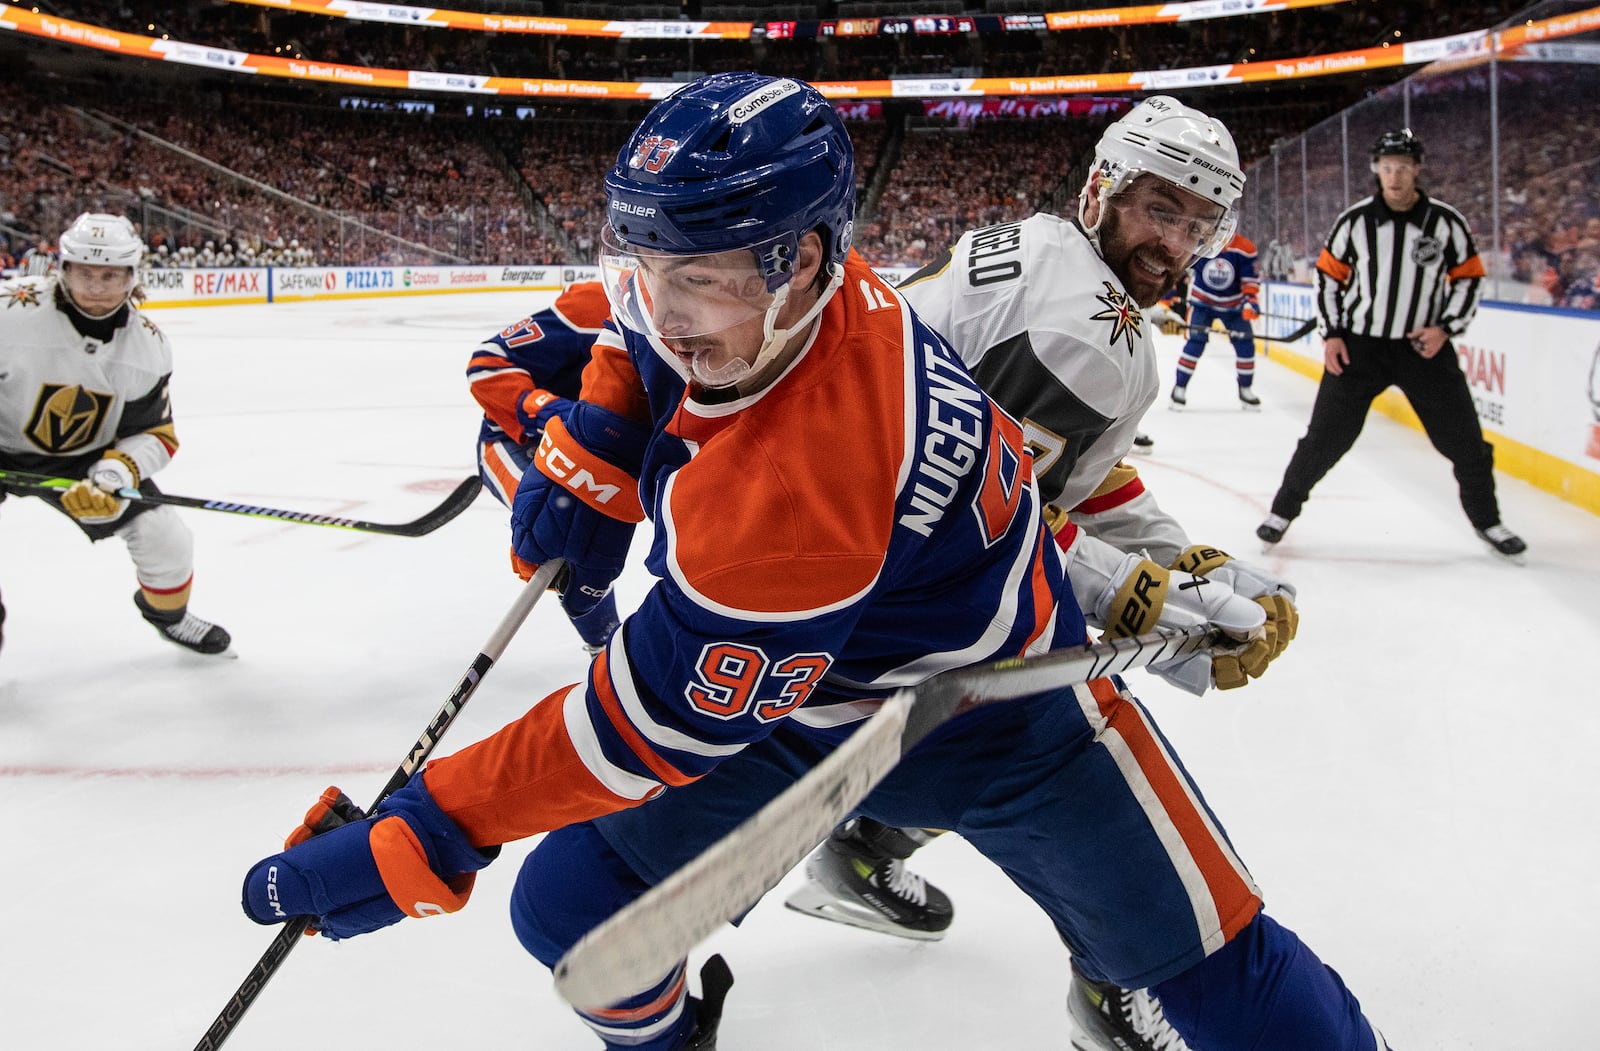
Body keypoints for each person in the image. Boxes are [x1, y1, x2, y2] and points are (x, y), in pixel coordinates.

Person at [242, 74, 1389, 1051]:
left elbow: (631, 729)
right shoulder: (804, 287)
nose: (670, 308)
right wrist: (601, 428)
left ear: (805, 261)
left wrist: (428, 828)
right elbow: (630, 318)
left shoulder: (798, 494)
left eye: (709, 279)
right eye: (651, 260)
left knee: (1239, 993)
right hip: (822, 702)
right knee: (574, 916)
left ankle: (1103, 955)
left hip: (1007, 720)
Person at [787, 96, 1301, 1051]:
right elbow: (966, 502)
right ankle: (1115, 979)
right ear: (1103, 186)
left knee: (1012, 732)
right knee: (1080, 761)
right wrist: (1124, 587)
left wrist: (1178, 556)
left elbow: (1043, 473)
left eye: (1197, 222)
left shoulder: (1040, 248)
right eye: (1160, 207)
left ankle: (867, 845)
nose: (1175, 240)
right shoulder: (1094, 329)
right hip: (883, 597)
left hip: (851, 569)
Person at [1256, 129, 1526, 558]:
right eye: (1387, 167)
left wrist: (1445, 328)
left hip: (1424, 349)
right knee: (1324, 439)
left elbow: (1469, 279)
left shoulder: (1446, 223)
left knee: (1467, 444)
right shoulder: (1355, 222)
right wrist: (1333, 334)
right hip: (1359, 349)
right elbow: (1327, 280)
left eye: (1402, 167)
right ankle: (1281, 512)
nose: (1395, 176)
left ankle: (1488, 522)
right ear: (1376, 170)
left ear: (1416, 170)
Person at [0, 212, 231, 655]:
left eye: (109, 275)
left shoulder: (148, 346)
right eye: (85, 273)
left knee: (166, 535)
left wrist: (112, 476)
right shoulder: (10, 312)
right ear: (63, 268)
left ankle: (170, 617)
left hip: (83, 460)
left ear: (131, 276)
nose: (95, 286)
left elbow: (155, 434)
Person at [467, 280, 620, 654]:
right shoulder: (597, 304)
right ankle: (604, 651)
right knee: (564, 532)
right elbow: (487, 362)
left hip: (604, 445)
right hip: (519, 445)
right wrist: (554, 413)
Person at [1168, 230, 1263, 408]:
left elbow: (1250, 279)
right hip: (1203, 304)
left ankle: (1245, 389)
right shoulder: (1203, 244)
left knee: (1246, 345)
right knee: (1195, 344)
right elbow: (1182, 264)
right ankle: (1179, 388)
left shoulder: (1245, 248)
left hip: (1233, 306)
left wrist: (1251, 300)